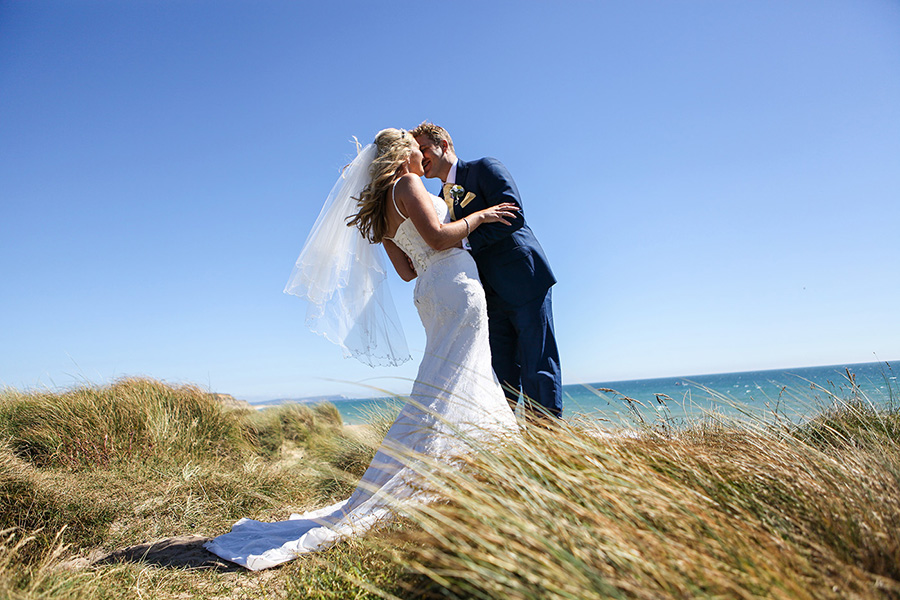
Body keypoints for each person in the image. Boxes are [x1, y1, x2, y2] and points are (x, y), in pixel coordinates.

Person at [204, 129, 519, 570]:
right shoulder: (408, 185)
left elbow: (408, 272)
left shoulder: (380, 208)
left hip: (430, 293)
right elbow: (438, 238)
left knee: (444, 383)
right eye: (414, 143)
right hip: (454, 285)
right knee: (462, 379)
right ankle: (477, 475)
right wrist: (480, 218)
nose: (420, 150)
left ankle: (452, 474)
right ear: (402, 151)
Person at [411, 123, 562, 419]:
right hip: (486, 293)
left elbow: (513, 215)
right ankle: (506, 444)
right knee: (500, 372)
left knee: (537, 362)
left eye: (424, 148)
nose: (421, 156)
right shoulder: (438, 201)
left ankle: (549, 443)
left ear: (444, 144)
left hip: (522, 278)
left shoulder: (484, 168)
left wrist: (463, 243)